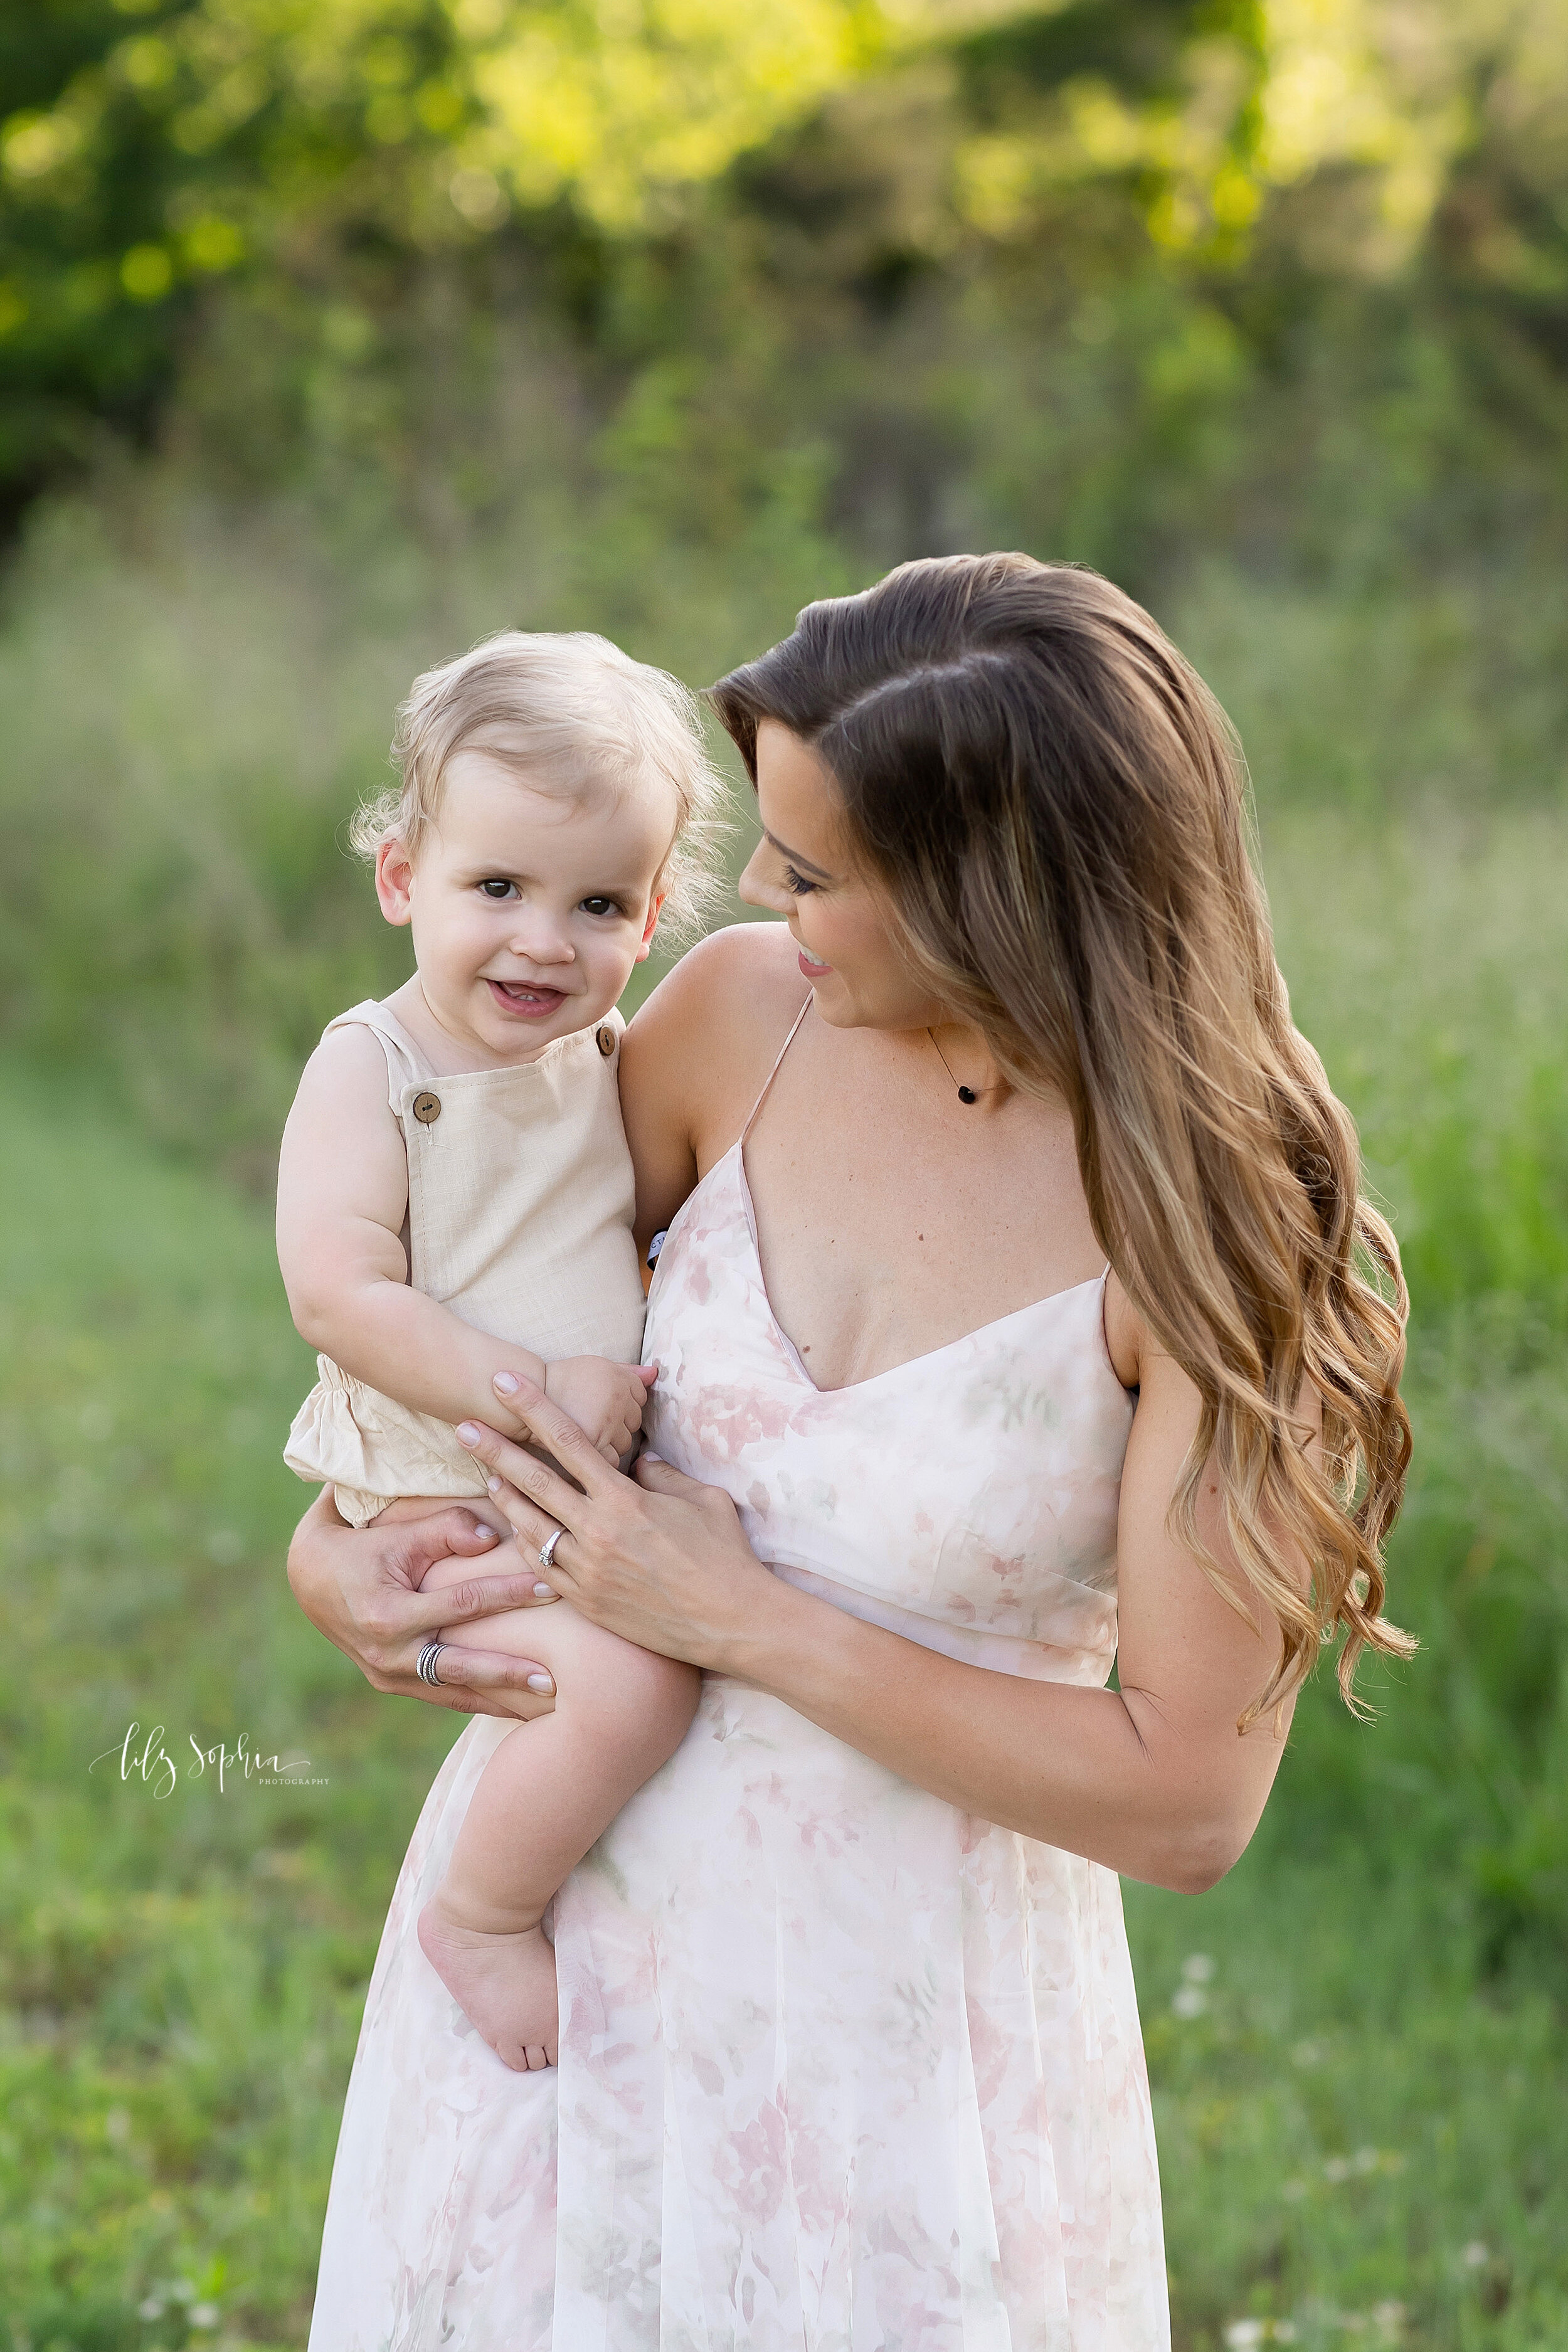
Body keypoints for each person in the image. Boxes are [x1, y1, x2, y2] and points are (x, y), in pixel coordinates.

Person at [289, 554, 1413, 2349]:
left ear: (999, 892)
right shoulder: (736, 1017)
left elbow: (1188, 1801)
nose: (751, 893)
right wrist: (333, 1551)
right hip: (561, 1963)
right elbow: (483, 1306)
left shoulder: (1206, 1224)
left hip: (902, 2042)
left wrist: (736, 1617)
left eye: (814, 869)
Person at [275, 628, 727, 2071]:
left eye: (597, 902)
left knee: (641, 1663)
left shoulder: (605, 1065)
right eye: (497, 888)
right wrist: (536, 1406)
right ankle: (480, 1912)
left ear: (650, 918)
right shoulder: (373, 1065)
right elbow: (340, 1294)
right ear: (404, 876)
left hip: (550, 1469)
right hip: (442, 1471)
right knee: (631, 1681)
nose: (544, 939)